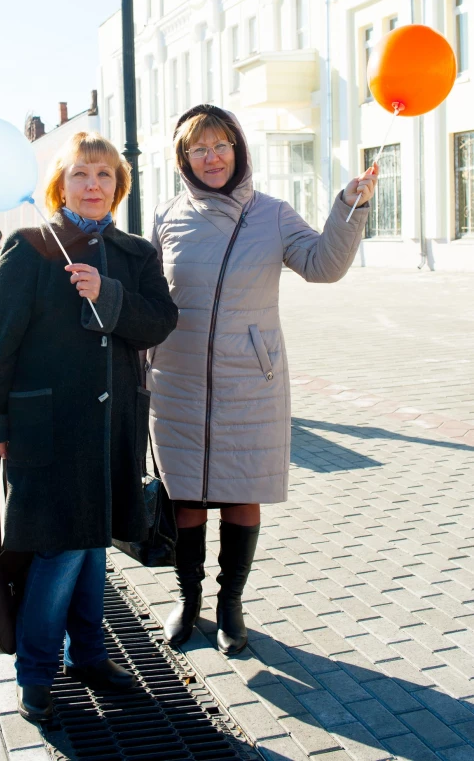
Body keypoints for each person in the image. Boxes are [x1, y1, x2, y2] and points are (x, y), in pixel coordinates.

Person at [147, 104, 378, 656]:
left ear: (238, 149)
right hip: (176, 379)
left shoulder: (271, 214)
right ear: (184, 159)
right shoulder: (166, 217)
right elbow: (148, 299)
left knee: (239, 495)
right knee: (186, 499)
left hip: (249, 379)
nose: (212, 157)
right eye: (198, 148)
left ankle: (230, 605)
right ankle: (188, 599)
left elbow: (324, 264)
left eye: (221, 144)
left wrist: (349, 207)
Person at [0, 131, 178, 723]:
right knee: (61, 550)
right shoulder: (31, 245)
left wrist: (107, 293)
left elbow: (160, 322)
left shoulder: (136, 253)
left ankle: (87, 656)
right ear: (61, 184)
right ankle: (36, 677)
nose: (93, 185)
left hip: (114, 426)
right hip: (48, 426)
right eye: (81, 174)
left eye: (105, 175)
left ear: (119, 186)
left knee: (93, 548)